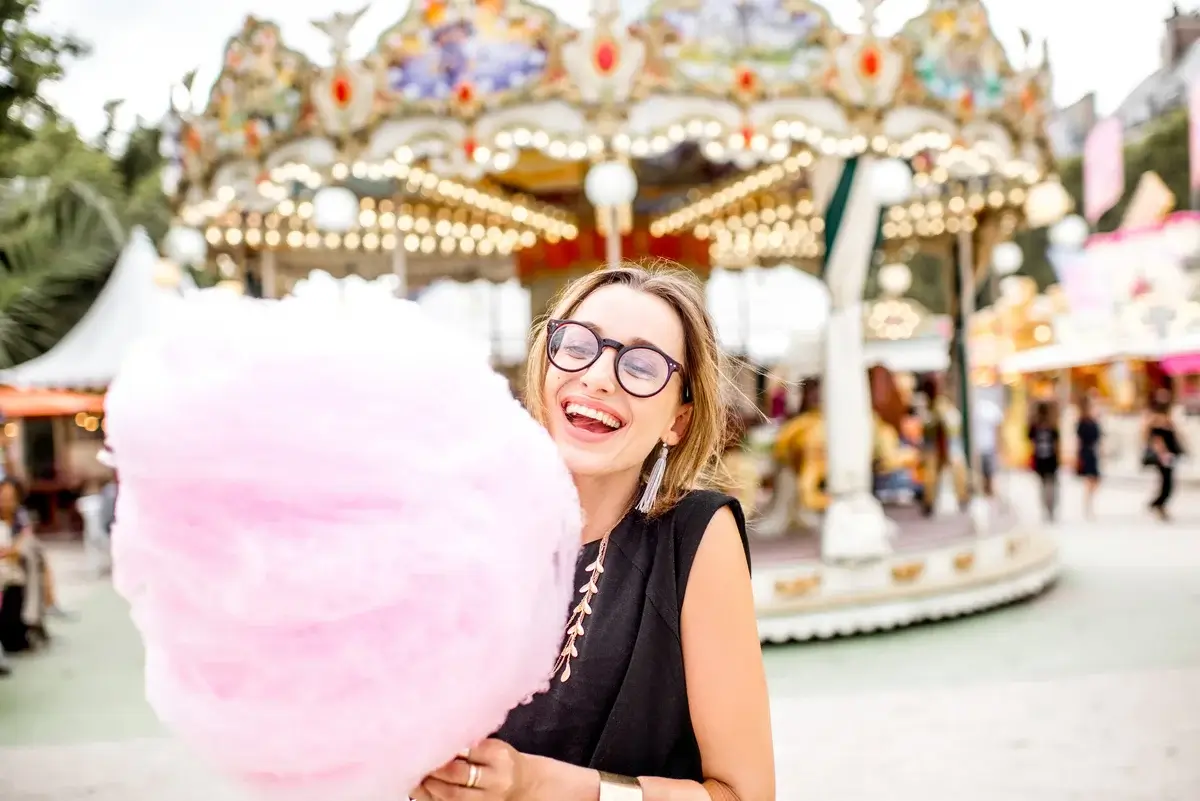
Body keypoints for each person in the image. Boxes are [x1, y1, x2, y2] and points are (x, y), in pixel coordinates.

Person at [412, 265, 774, 801]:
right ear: (544, 367)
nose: (600, 376)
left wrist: (544, 787)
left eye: (643, 365)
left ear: (679, 419)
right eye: (578, 345)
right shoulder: (462, 524)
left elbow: (745, 796)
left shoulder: (697, 538)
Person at [0, 479, 42, 654]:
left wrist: (12, 552)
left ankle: (31, 622)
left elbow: (23, 546)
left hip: (17, 575)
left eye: (11, 497)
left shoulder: (21, 518)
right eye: (3, 497)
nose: (6, 502)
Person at [1145, 389, 1185, 521]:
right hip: (1163, 456)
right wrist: (1162, 453)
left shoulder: (1168, 418)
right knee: (1166, 482)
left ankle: (1158, 504)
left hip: (1169, 455)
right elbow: (1155, 439)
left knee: (1168, 482)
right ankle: (1156, 504)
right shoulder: (1155, 419)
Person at [1028, 401, 1060, 523]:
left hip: (1041, 459)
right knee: (1050, 486)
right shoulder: (1051, 426)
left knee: (1044, 486)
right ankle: (1050, 508)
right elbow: (1057, 444)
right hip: (1049, 460)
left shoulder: (1036, 426)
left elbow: (1030, 440)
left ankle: (1047, 508)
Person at [971, 393, 1004, 497]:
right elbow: (999, 430)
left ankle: (987, 494)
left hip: (984, 446)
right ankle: (987, 494)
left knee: (987, 473)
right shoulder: (986, 409)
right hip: (986, 446)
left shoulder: (980, 409)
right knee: (987, 473)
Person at [1075, 395, 1102, 520]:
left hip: (1093, 452)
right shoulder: (1082, 422)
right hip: (1086, 453)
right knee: (1090, 480)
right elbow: (1079, 440)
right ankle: (1088, 506)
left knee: (1095, 480)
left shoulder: (1094, 421)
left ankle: (1089, 503)